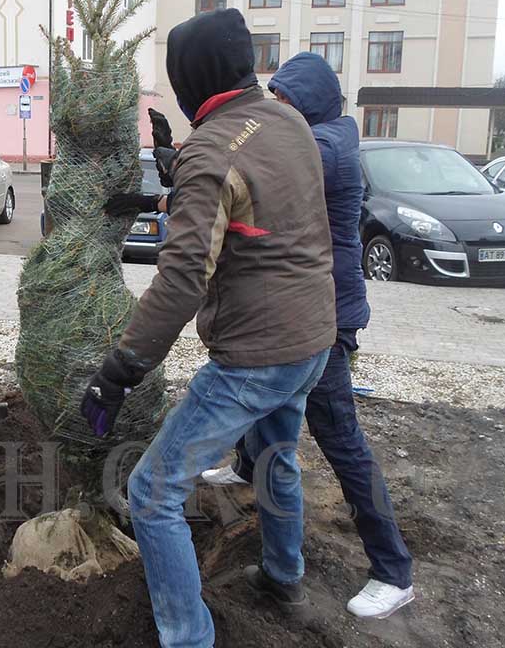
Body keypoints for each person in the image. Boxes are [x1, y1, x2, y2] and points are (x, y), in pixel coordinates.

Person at [84, 8, 336, 648]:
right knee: (277, 459)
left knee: (152, 490)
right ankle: (283, 577)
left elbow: (181, 280)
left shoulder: (211, 151)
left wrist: (120, 371)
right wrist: (169, 186)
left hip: (255, 356)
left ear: (191, 78)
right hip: (312, 339)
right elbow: (254, 197)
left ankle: (187, 636)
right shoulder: (291, 123)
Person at [200, 51, 415, 619]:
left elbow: (257, 160)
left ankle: (394, 570)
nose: (279, 112)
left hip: (329, 315)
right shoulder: (328, 133)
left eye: (287, 102)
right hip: (311, 304)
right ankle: (248, 467)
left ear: (313, 102)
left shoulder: (328, 148)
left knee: (342, 441)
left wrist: (200, 151)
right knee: (265, 400)